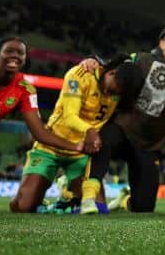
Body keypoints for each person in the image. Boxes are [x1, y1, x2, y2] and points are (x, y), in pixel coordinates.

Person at [83, 25, 165, 213]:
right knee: (100, 141)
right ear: (162, 43)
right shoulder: (141, 59)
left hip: (148, 146)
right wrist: (93, 59)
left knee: (144, 207)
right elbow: (113, 66)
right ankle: (88, 194)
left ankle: (124, 201)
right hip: (122, 130)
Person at [10, 56, 144, 214]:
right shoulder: (79, 76)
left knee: (99, 210)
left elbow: (131, 58)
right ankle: (63, 191)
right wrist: (90, 131)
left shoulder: (121, 89)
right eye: (115, 88)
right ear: (112, 73)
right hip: (51, 146)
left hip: (81, 153)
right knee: (22, 206)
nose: (112, 94)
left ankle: (68, 194)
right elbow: (69, 116)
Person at [0, 37, 85, 213]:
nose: (14, 56)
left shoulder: (24, 89)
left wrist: (76, 146)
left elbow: (40, 133)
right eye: (8, 51)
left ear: (24, 60)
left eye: (20, 53)